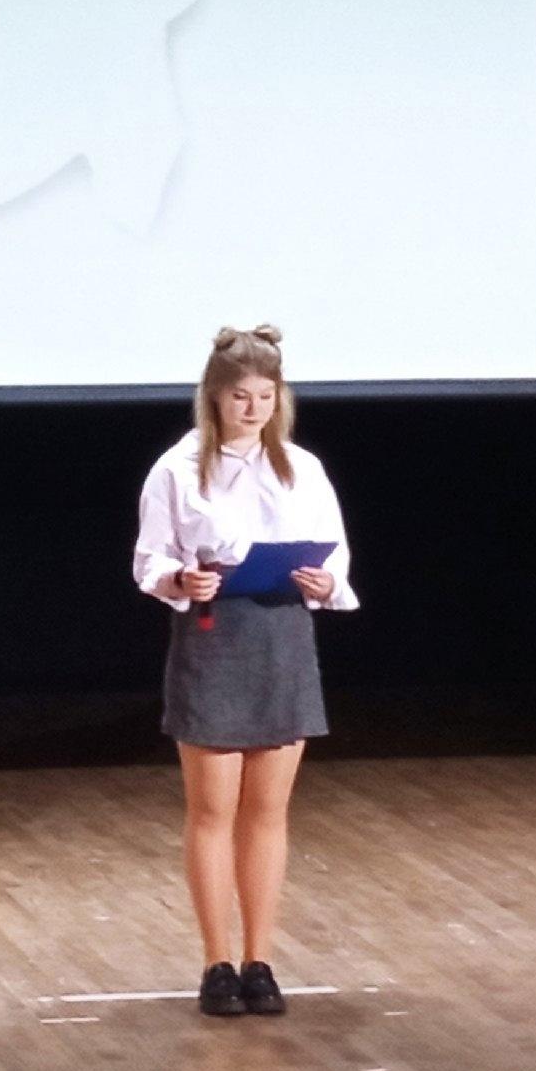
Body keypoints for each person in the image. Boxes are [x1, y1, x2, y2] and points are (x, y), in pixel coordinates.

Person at [132, 324, 357, 1019]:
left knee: (267, 812)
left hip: (282, 637)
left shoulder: (301, 468)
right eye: (241, 397)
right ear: (215, 397)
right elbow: (150, 560)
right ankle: (215, 962)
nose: (254, 409)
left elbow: (335, 554)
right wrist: (181, 578)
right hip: (215, 637)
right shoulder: (177, 469)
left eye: (266, 396)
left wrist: (327, 583)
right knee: (212, 811)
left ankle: (260, 960)